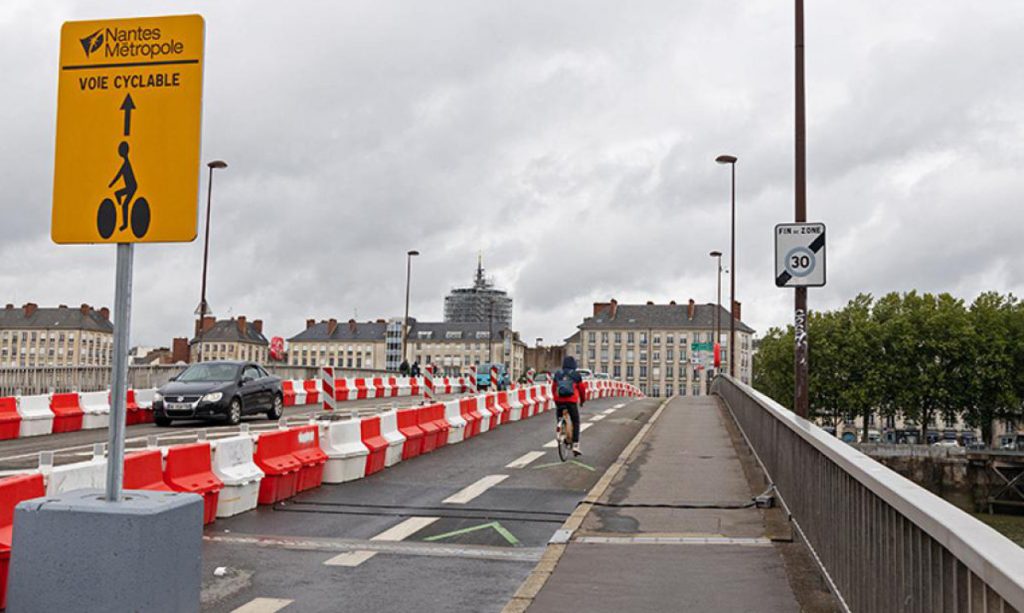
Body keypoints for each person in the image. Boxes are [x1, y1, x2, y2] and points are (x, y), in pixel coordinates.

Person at [552, 355, 586, 456]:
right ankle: (575, 444)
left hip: (559, 401)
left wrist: (555, 399)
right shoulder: (576, 375)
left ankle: (561, 429)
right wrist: (582, 401)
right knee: (576, 421)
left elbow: (553, 388)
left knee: (559, 417)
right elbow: (582, 390)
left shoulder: (558, 374)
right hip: (571, 401)